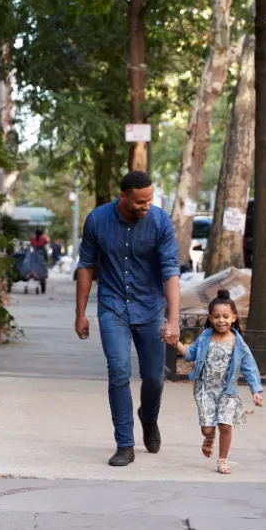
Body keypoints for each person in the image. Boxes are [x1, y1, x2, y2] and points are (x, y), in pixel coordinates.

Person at [75, 171, 181, 467]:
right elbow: (85, 266)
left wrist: (173, 319)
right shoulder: (97, 220)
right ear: (122, 197)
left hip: (149, 307)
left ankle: (148, 417)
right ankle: (125, 443)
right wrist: (80, 313)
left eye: (149, 199)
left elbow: (171, 270)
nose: (146, 205)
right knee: (119, 371)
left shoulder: (160, 221)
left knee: (154, 377)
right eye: (140, 201)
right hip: (112, 306)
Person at [177, 289, 263, 475]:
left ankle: (222, 459)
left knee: (225, 425)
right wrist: (175, 342)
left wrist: (256, 391)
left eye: (225, 316)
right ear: (210, 317)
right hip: (205, 390)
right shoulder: (205, 337)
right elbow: (190, 354)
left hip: (227, 392)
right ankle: (209, 437)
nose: (221, 320)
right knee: (207, 429)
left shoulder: (238, 343)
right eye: (216, 316)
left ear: (233, 317)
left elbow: (249, 367)